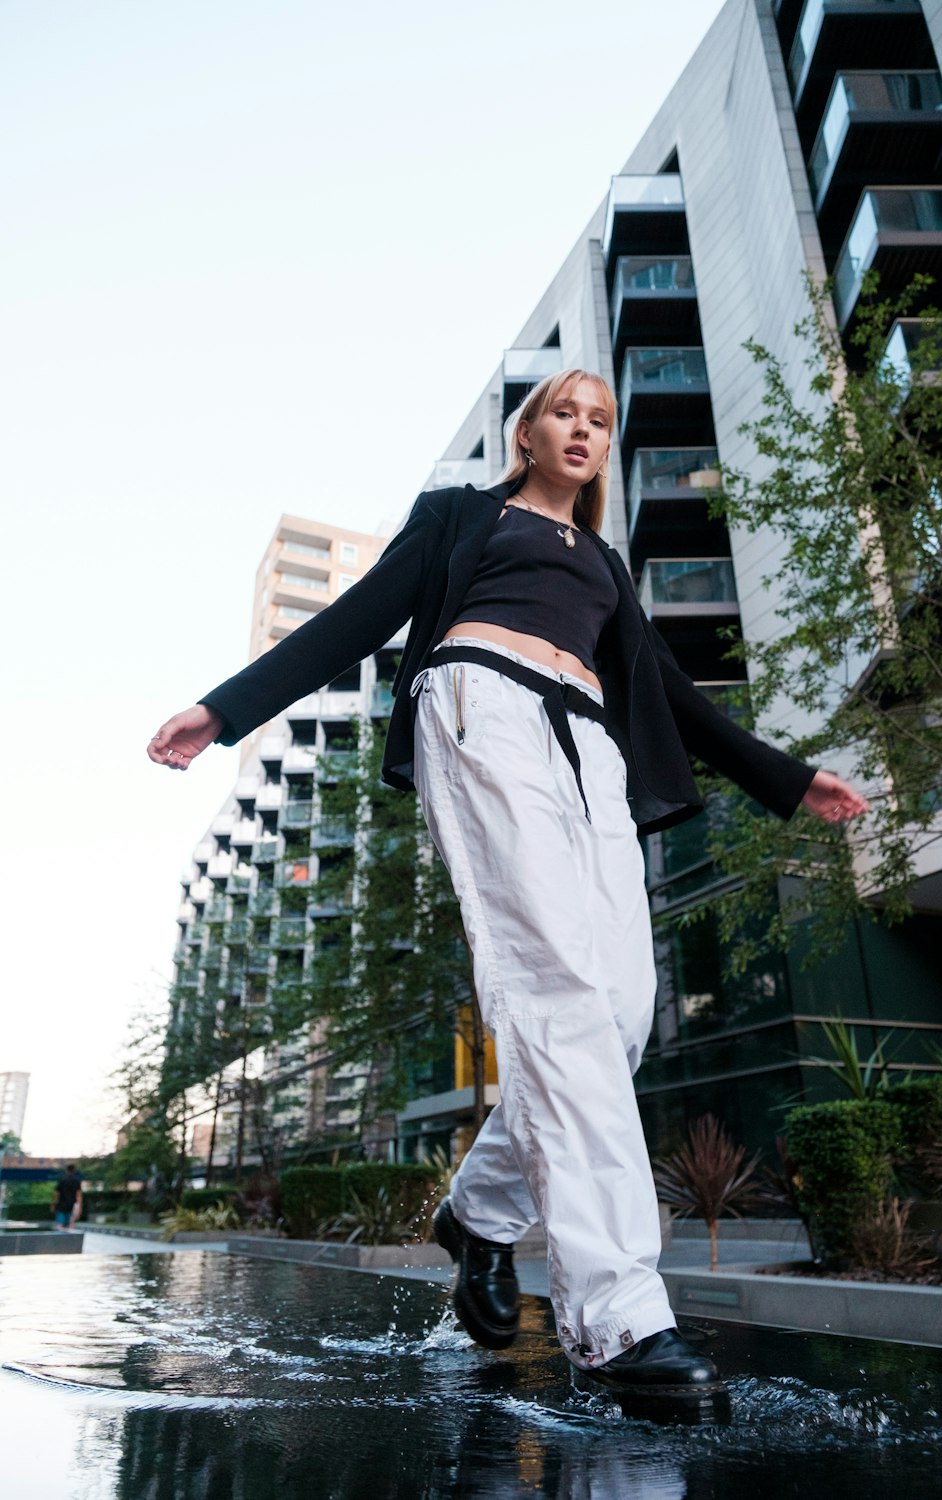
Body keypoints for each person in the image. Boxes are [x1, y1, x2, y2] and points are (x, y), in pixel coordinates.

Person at [148, 369, 867, 1417]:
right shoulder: (459, 519)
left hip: (590, 745)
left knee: (619, 1012)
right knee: (561, 998)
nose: (582, 430)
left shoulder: (608, 566)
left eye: (599, 420)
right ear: (528, 434)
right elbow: (357, 619)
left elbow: (670, 697)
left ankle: (481, 1213)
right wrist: (225, 710)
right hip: (479, 709)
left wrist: (788, 779)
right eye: (563, 413)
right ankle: (619, 1318)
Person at [53, 1163, 83, 1229]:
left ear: (66, 1171)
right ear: (74, 1171)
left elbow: (56, 1194)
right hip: (72, 1206)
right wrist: (80, 1207)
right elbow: (79, 1196)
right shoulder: (77, 1182)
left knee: (59, 1224)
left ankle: (60, 1238)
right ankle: (71, 1238)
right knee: (71, 1224)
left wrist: (53, 1204)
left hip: (61, 1205)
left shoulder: (62, 1181)